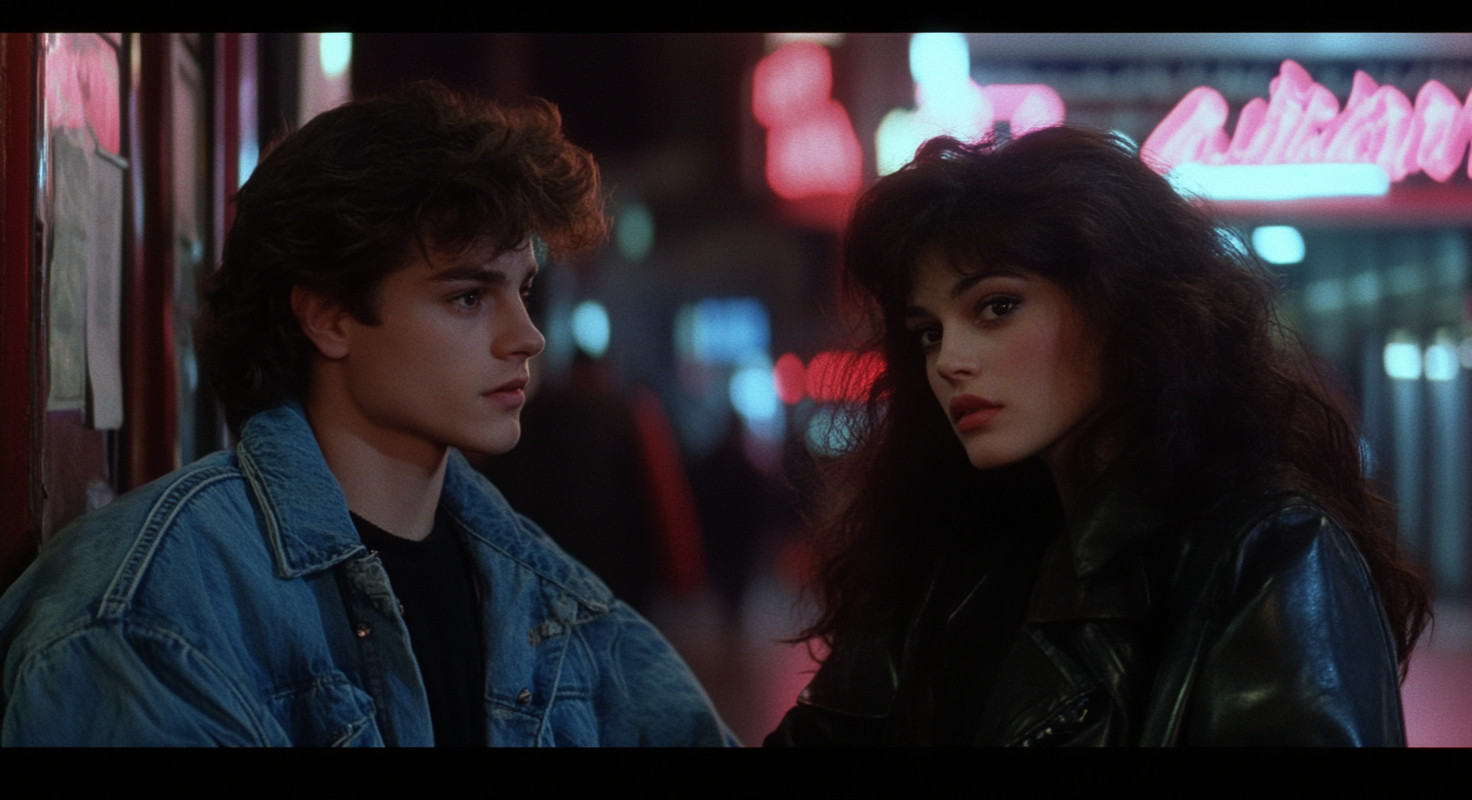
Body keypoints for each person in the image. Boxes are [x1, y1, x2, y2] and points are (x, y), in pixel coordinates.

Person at [0, 82, 736, 747]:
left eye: (523, 290)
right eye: (468, 297)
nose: (528, 337)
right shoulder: (152, 611)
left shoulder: (540, 589)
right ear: (327, 316)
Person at [765, 127, 1430, 746]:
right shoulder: (949, 560)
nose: (948, 360)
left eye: (996, 307)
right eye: (928, 331)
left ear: (1123, 304)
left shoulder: (1269, 551)